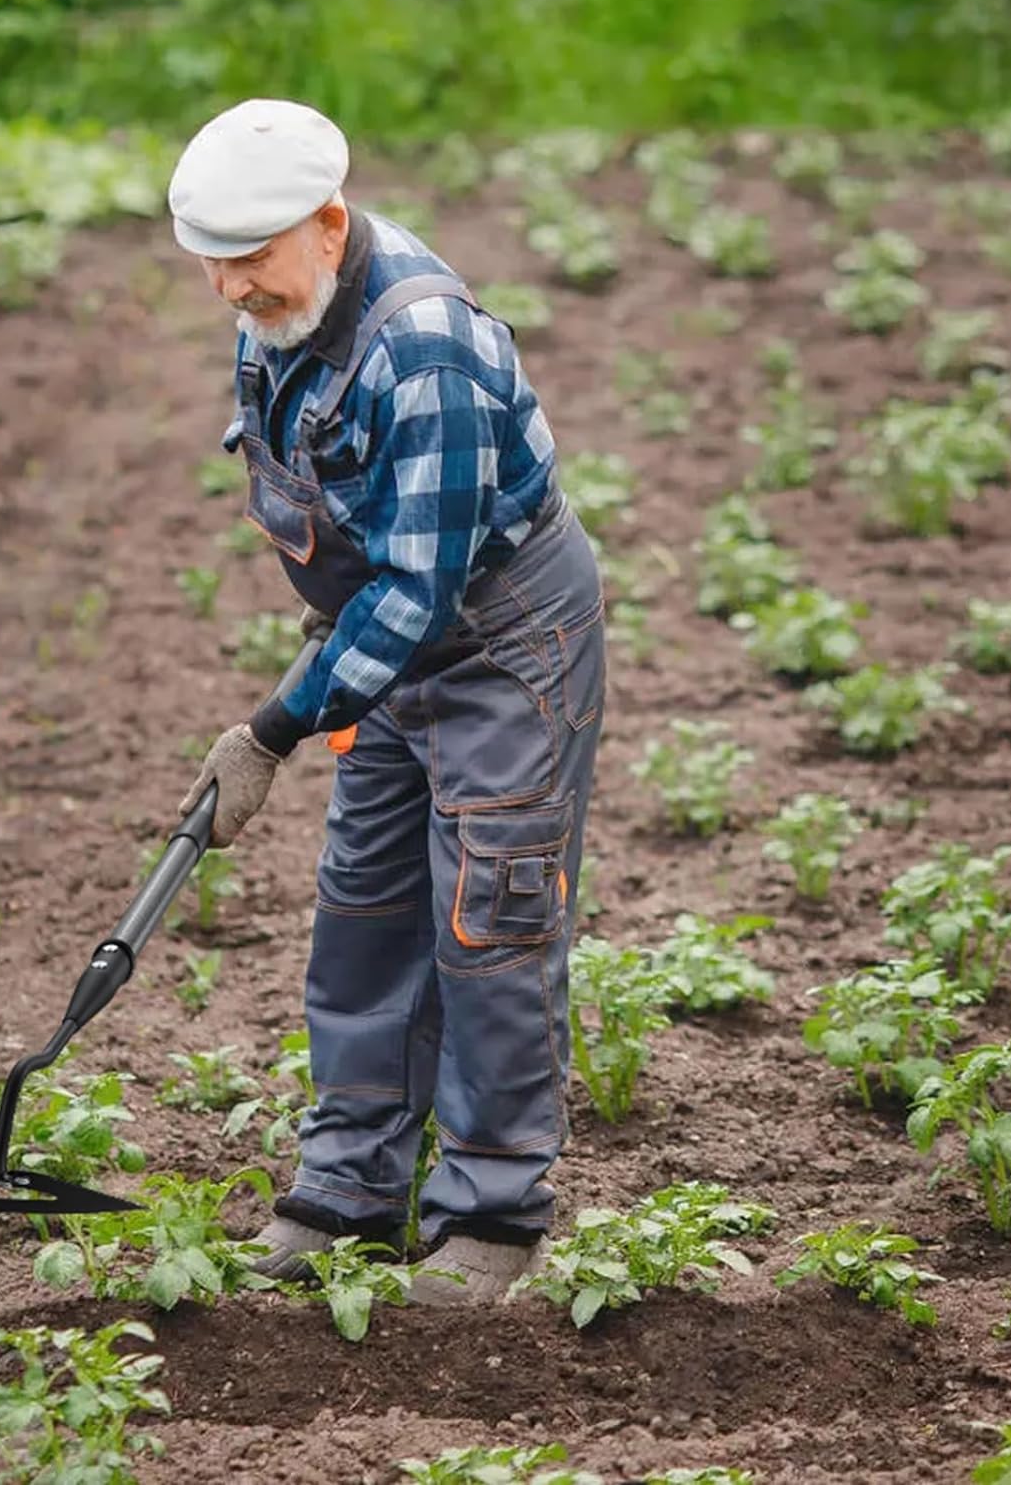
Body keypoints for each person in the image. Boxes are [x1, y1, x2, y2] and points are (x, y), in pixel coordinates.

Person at [170, 98, 606, 1304]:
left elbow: (424, 589)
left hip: (503, 642)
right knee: (363, 907)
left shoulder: (426, 346)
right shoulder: (285, 307)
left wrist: (272, 727)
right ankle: (349, 1190)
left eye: (248, 262)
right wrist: (325, 633)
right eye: (210, 265)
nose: (229, 292)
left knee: (490, 917)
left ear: (327, 221)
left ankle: (495, 1219)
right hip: (388, 638)